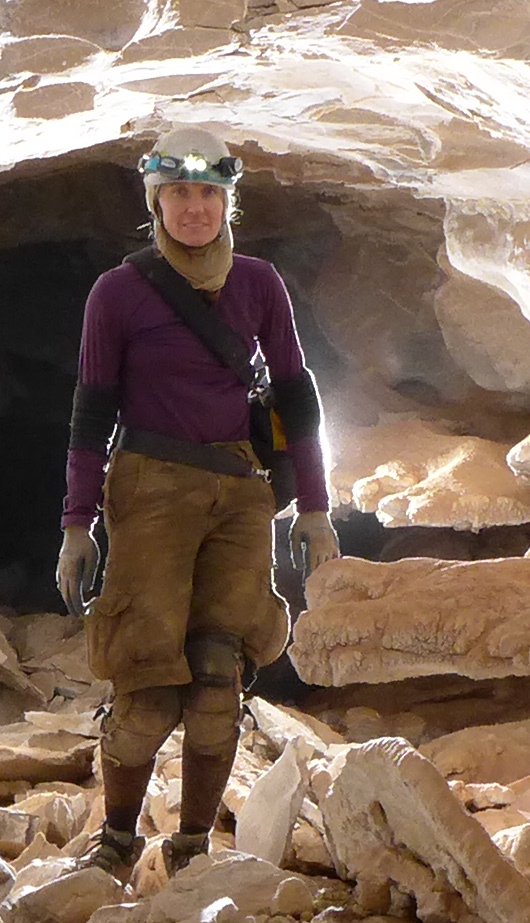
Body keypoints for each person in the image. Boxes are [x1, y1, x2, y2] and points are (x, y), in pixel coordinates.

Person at [56, 125, 337, 876]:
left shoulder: (258, 284)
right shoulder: (118, 292)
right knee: (148, 686)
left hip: (242, 493)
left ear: (227, 202)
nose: (194, 208)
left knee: (219, 679)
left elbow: (295, 398)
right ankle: (116, 842)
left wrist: (314, 506)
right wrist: (76, 525)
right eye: (178, 192)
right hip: (151, 488)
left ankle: (193, 849)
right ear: (156, 201)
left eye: (208, 192)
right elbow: (92, 410)